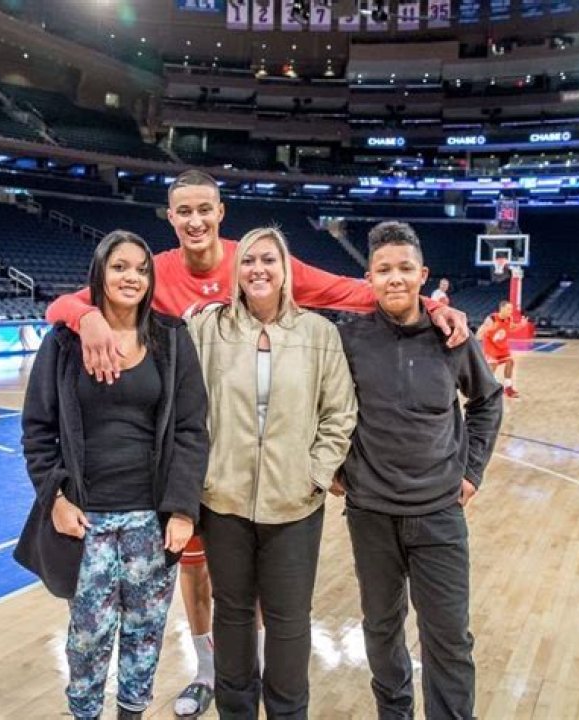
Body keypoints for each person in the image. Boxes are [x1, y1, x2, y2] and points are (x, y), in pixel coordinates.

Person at [45, 169, 469, 717]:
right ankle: (207, 672)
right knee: (202, 580)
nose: (195, 220)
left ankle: (271, 685)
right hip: (196, 477)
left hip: (284, 492)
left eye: (205, 209)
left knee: (274, 606)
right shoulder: (157, 274)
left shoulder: (271, 279)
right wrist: (86, 318)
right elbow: (69, 303)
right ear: (170, 217)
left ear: (221, 213)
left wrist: (430, 305)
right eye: (184, 211)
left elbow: (359, 292)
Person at [14, 231, 209, 720]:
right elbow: (37, 431)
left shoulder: (172, 339)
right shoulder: (63, 343)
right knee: (87, 640)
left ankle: (131, 714)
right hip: (87, 521)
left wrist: (182, 509)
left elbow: (191, 430)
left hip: (152, 520)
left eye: (142, 269)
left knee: (145, 636)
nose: (132, 277)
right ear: (99, 272)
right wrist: (56, 499)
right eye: (120, 266)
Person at [337, 222, 503, 720]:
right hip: (371, 513)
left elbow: (487, 401)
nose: (395, 278)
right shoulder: (347, 339)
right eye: (384, 269)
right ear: (369, 277)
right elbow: (322, 408)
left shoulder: (452, 337)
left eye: (405, 268)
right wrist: (336, 467)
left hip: (439, 514)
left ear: (422, 275)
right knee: (381, 628)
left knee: (448, 636)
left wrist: (472, 470)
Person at [188, 226, 356, 718]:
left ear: (285, 271)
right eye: (248, 260)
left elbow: (340, 412)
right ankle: (236, 710)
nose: (257, 269)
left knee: (289, 620)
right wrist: (203, 474)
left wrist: (316, 473)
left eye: (269, 260)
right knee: (233, 614)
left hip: (295, 504)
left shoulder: (319, 333)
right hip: (223, 501)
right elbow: (186, 406)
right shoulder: (208, 328)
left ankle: (287, 711)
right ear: (235, 270)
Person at [476, 299, 522, 398]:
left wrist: (521, 325)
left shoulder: (509, 319)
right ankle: (485, 389)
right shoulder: (492, 318)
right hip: (491, 346)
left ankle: (508, 388)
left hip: (502, 347)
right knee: (493, 366)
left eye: (511, 309)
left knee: (510, 362)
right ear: (502, 308)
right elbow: (481, 330)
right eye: (508, 309)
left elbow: (512, 327)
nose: (511, 311)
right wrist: (476, 341)